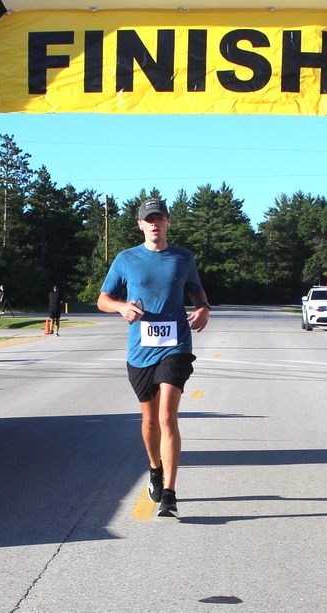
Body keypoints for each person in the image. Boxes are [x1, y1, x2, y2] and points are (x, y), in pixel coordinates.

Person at [97, 198, 211, 518]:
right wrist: (121, 307)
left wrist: (203, 307)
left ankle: (170, 494)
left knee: (166, 417)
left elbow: (196, 291)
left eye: (159, 218)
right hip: (140, 349)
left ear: (168, 222)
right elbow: (103, 299)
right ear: (140, 225)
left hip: (176, 346)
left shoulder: (183, 257)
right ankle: (155, 469)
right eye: (149, 219)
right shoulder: (126, 259)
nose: (154, 224)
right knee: (149, 422)